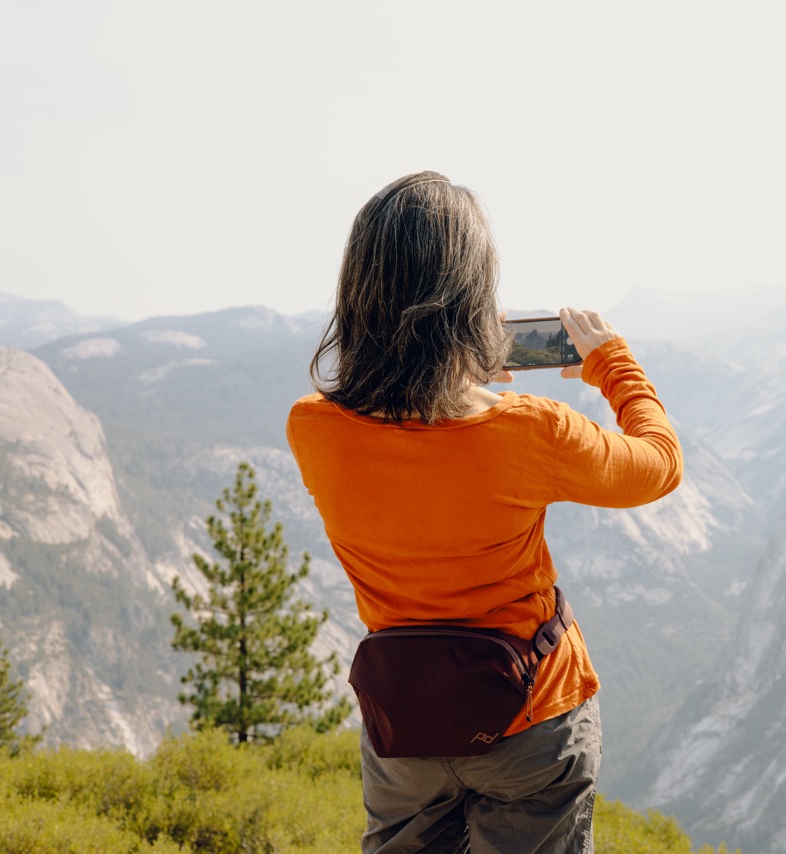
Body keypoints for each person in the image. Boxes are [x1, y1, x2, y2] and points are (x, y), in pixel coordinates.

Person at [285, 170, 682, 853]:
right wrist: (614, 364)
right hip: (529, 717)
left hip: (404, 723)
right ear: (470, 301)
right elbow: (659, 464)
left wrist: (449, 375)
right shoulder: (529, 431)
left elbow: (412, 452)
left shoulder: (312, 428)